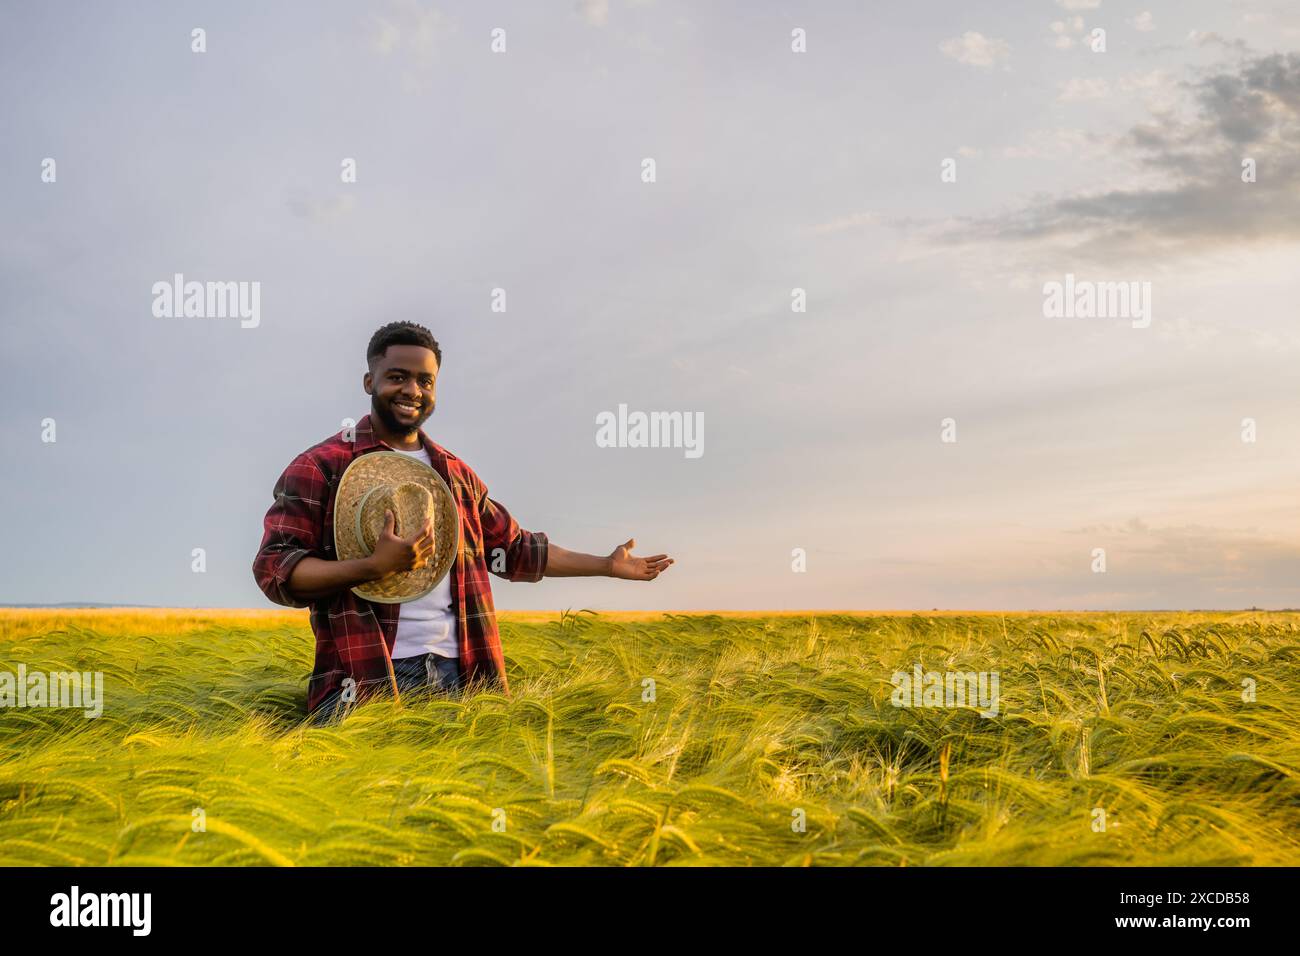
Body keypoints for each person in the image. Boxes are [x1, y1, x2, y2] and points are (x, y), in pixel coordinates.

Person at [252, 321, 673, 723]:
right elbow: (277, 570)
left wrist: (606, 565)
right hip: (363, 680)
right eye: (397, 376)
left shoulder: (456, 475)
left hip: (465, 676)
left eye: (426, 380)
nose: (412, 390)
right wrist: (372, 568)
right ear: (369, 382)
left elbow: (516, 550)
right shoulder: (321, 467)